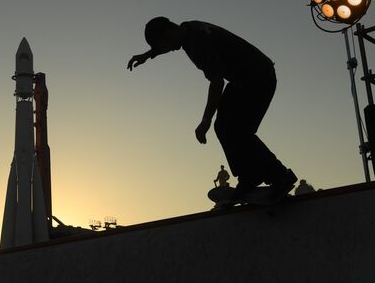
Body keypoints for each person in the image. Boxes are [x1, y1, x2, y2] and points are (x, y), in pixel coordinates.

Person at [127, 17, 297, 201]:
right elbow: (166, 44)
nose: (169, 50)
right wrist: (148, 54)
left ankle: (279, 175)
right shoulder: (189, 28)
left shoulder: (198, 43)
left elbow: (217, 82)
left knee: (238, 129)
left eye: (165, 45)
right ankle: (249, 176)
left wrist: (205, 120)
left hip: (258, 79)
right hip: (245, 78)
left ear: (169, 34)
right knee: (224, 127)